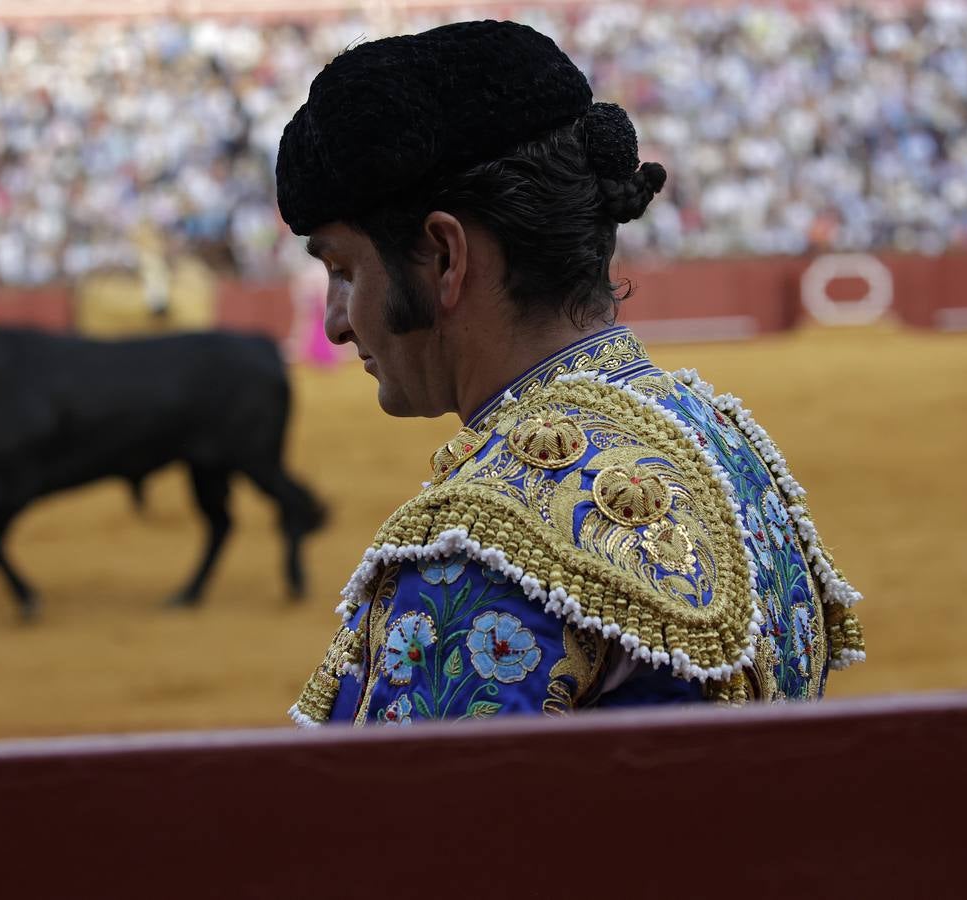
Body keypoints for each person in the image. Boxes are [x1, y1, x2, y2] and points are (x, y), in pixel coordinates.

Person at [279, 20, 865, 727]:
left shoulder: (490, 542)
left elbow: (406, 830)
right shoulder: (724, 441)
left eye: (344, 270)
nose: (338, 322)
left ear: (442, 256)